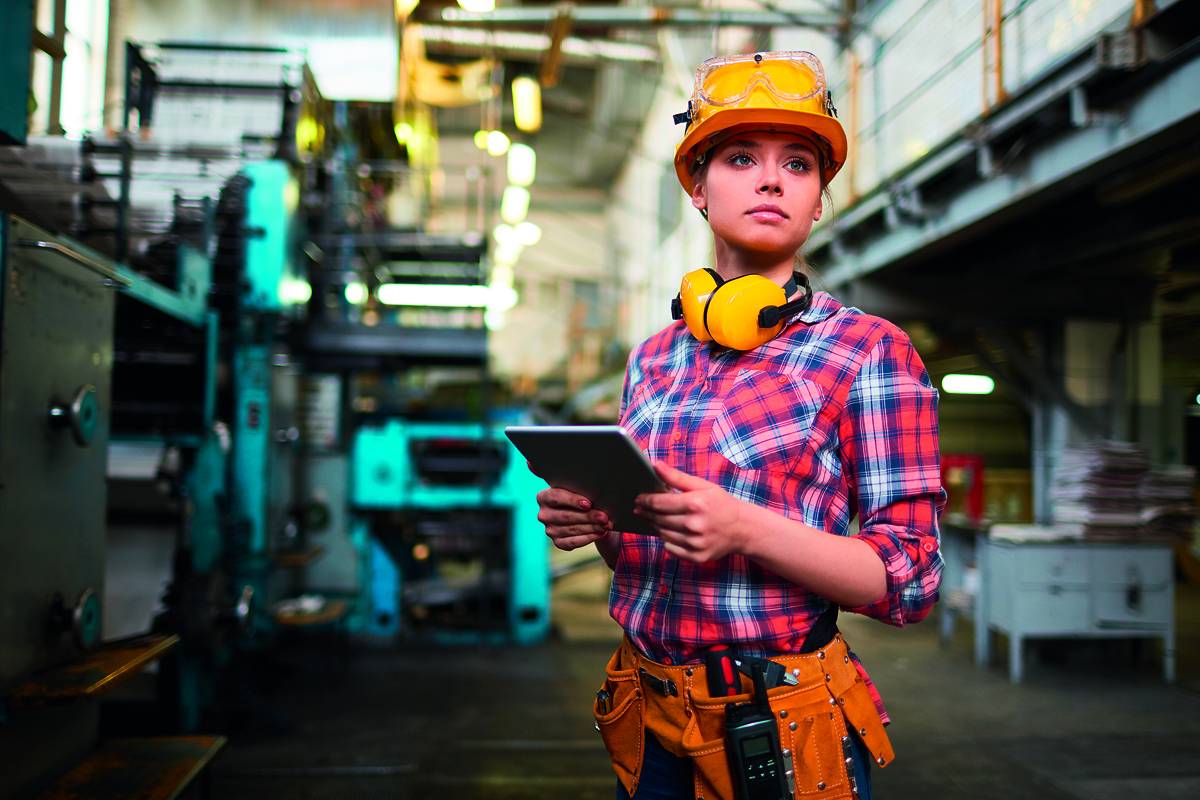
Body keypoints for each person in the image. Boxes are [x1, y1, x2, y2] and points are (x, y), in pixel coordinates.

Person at [536, 50, 944, 800]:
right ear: (697, 185)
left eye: (798, 163)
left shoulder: (867, 353)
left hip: (781, 730)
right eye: (740, 157)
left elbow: (912, 581)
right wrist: (596, 522)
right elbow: (641, 556)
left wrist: (746, 530)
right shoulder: (655, 358)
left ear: (818, 198)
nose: (770, 178)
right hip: (647, 713)